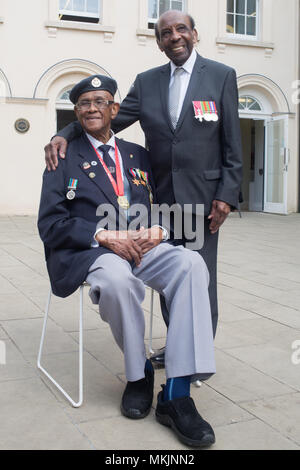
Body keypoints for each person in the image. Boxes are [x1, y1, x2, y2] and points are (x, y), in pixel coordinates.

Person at [44, 10, 243, 372]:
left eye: (181, 29)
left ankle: (196, 360)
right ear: (159, 41)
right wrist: (63, 134)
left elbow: (232, 142)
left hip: (203, 202)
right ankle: (174, 347)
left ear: (194, 34)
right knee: (170, 278)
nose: (175, 37)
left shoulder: (220, 76)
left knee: (200, 276)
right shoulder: (148, 82)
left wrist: (227, 195)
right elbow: (105, 116)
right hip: (161, 200)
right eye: (166, 32)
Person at [38, 74, 217, 448]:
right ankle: (139, 377)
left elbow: (168, 205)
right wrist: (101, 234)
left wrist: (160, 232)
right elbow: (50, 224)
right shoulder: (63, 156)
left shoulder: (138, 154)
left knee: (191, 265)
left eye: (100, 101)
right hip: (95, 250)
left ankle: (177, 394)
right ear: (76, 112)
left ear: (114, 109)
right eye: (84, 103)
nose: (92, 108)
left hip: (143, 245)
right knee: (117, 279)